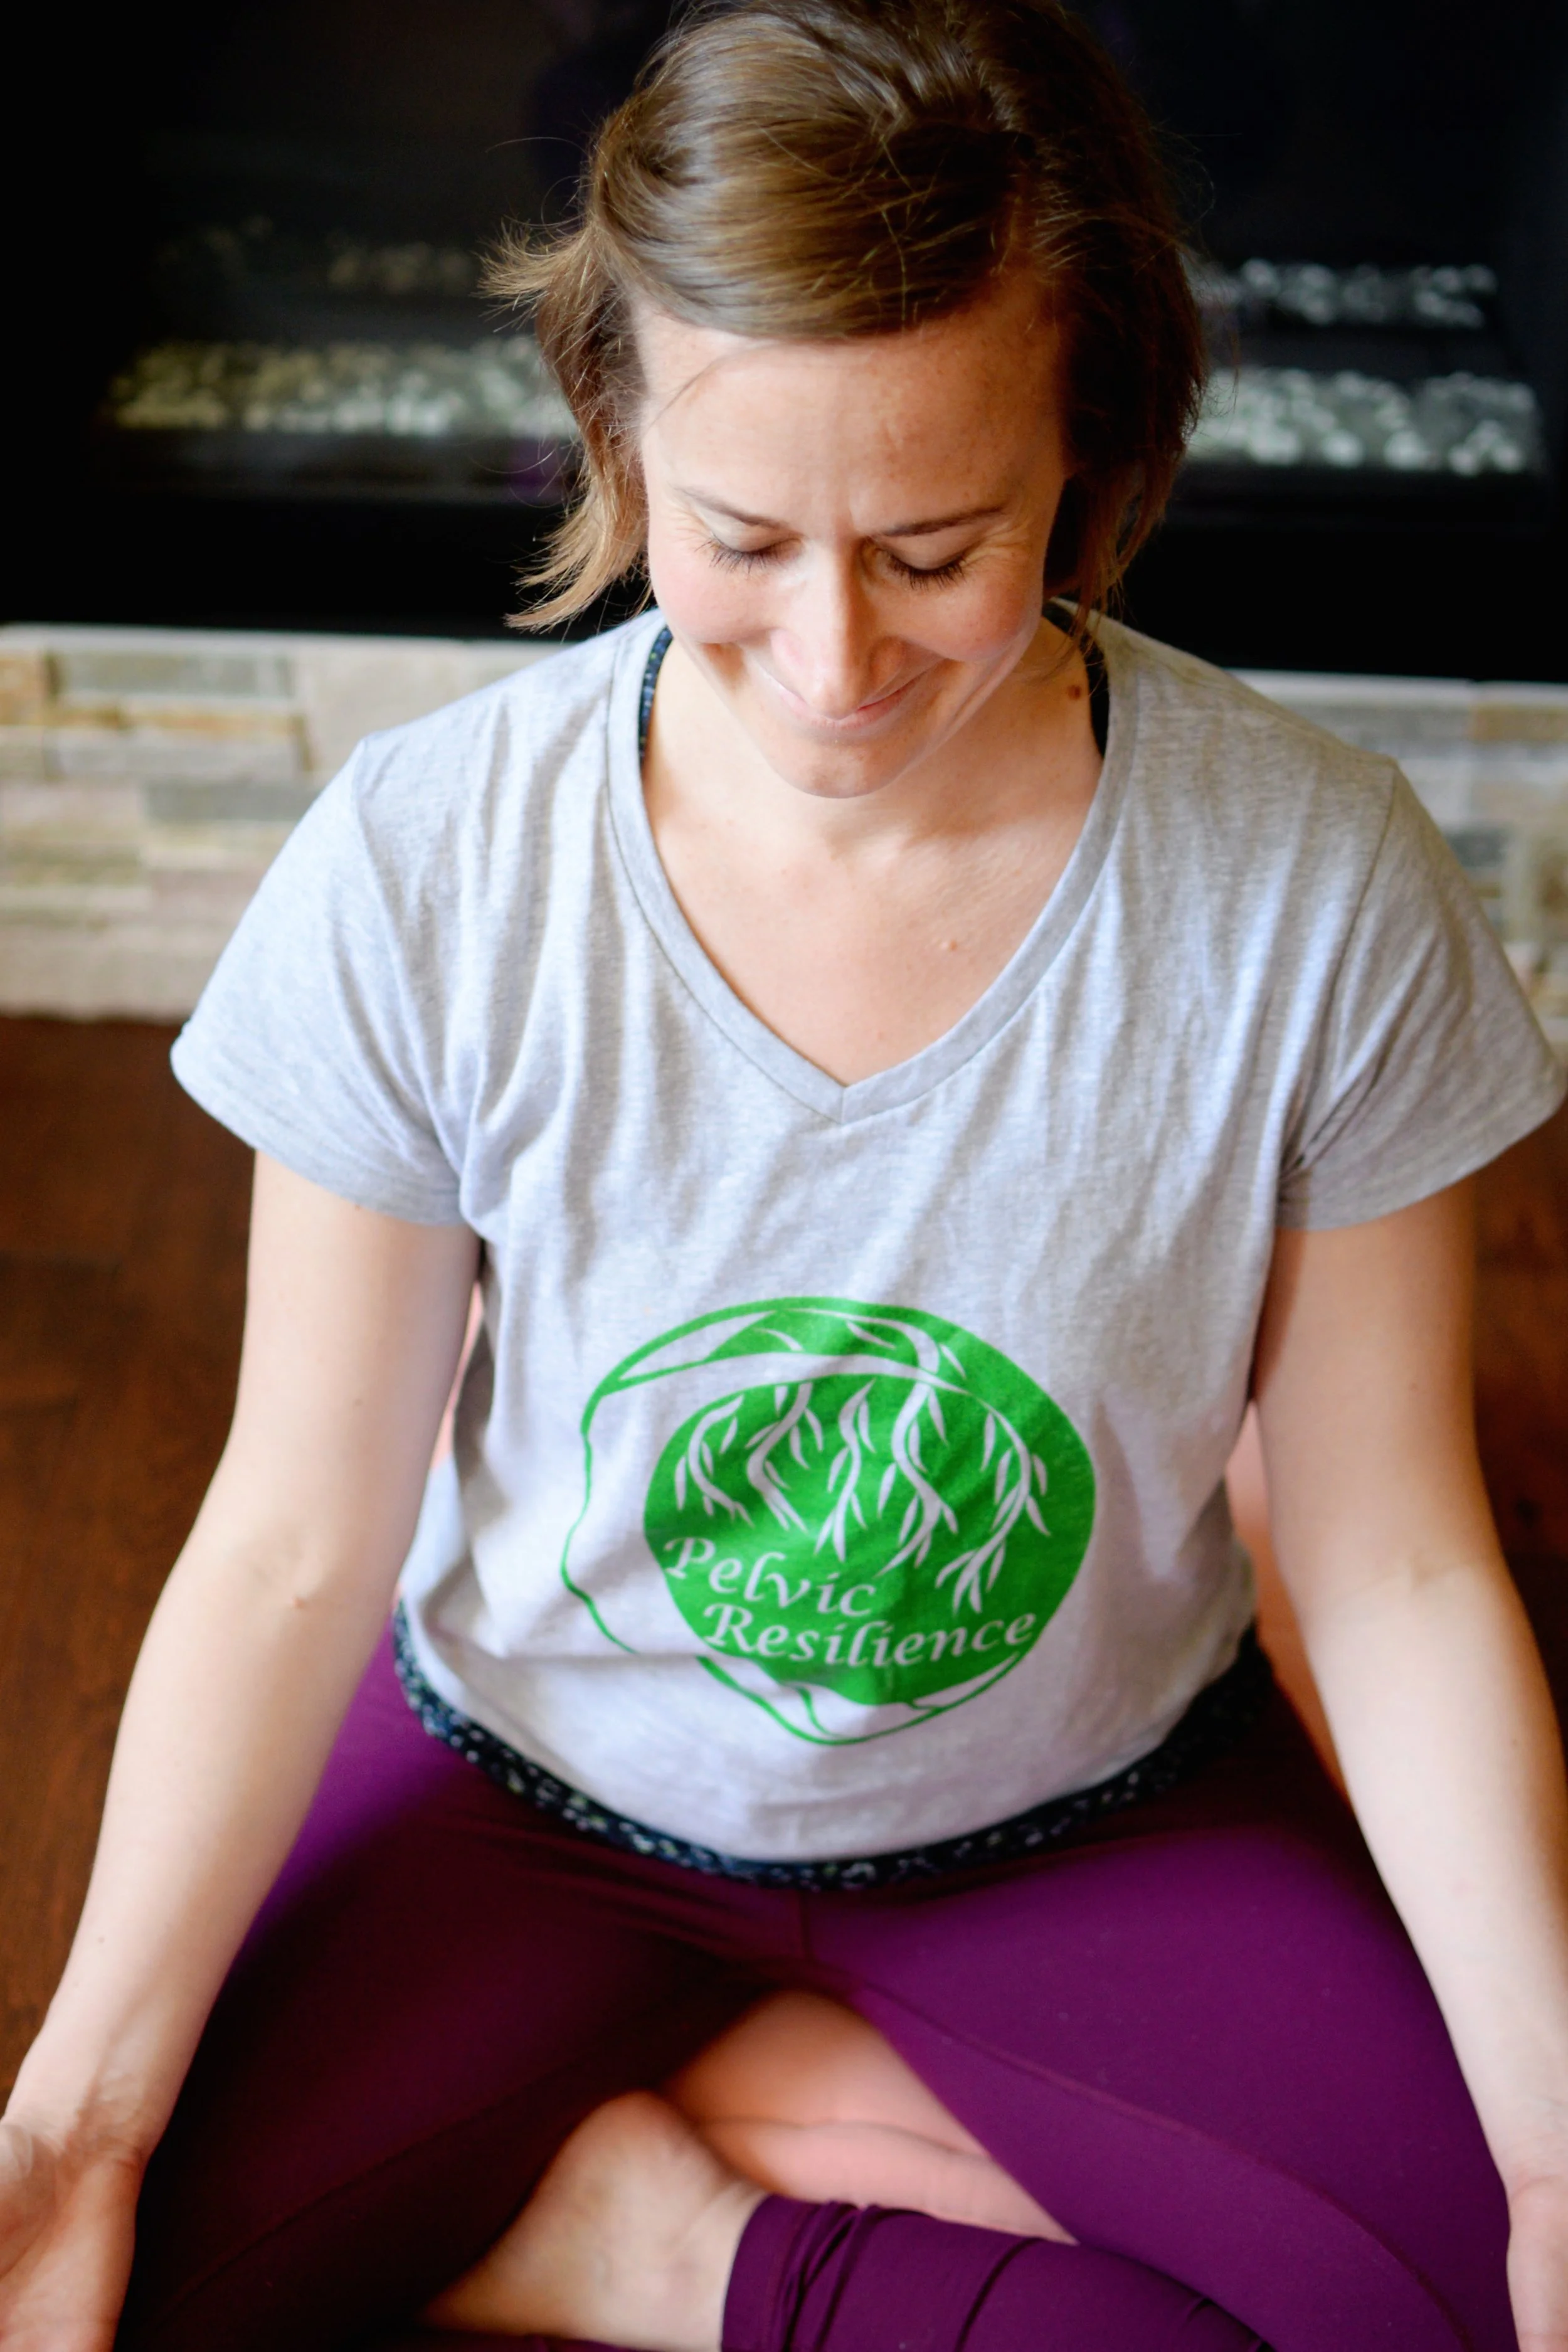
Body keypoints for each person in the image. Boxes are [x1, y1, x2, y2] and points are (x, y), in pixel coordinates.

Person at [3, 1, 1567, 2347]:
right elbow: (301, 1529)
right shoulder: (424, 864)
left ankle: (688, 2232)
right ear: (616, 437)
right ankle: (753, 2147)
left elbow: (1398, 1554)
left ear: (1094, 452)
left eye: (938, 548)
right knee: (119, 2283)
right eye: (738, 541)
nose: (831, 658)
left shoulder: (1316, 887)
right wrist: (79, 2122)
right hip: (518, 1787)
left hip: (1090, 1817)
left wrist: (1552, 2141)